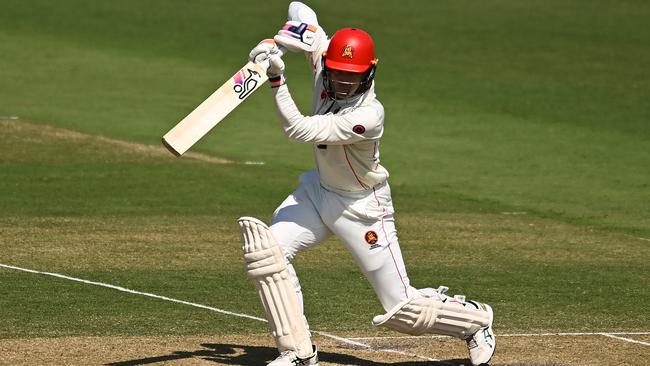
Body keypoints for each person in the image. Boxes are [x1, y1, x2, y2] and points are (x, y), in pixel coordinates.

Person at [238, 2, 496, 365]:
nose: (343, 82)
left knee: (402, 309)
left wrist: (276, 78)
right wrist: (283, 38)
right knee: (267, 254)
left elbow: (298, 129)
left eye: (353, 76)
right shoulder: (323, 59)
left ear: (370, 73)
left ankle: (475, 320)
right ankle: (297, 353)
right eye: (338, 73)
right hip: (318, 192)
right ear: (327, 63)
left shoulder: (367, 116)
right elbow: (301, 10)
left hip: (361, 207)